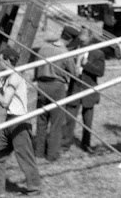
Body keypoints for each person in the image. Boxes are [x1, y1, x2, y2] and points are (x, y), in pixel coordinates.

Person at [0, 47, 41, 197]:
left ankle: (34, 189)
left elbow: (4, 102)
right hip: (9, 121)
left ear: (7, 61)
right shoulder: (6, 77)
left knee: (25, 158)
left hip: (19, 122)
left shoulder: (15, 77)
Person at [34, 26, 78, 161]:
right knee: (56, 122)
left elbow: (36, 67)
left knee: (41, 120)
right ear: (70, 39)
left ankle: (38, 151)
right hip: (57, 87)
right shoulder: (65, 52)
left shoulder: (44, 48)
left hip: (41, 85)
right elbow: (74, 73)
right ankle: (52, 154)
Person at [62, 28, 106, 153]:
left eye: (84, 37)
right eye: (80, 37)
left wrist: (86, 64)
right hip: (74, 88)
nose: (81, 39)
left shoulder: (98, 53)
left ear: (90, 37)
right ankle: (66, 143)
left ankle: (86, 144)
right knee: (69, 118)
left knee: (88, 120)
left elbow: (100, 72)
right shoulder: (73, 51)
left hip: (89, 90)